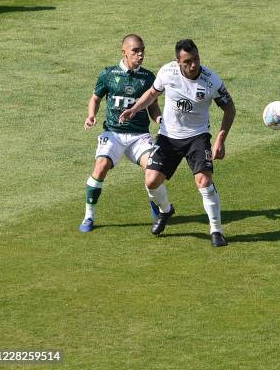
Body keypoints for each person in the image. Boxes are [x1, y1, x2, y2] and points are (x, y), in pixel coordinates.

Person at [119, 39, 236, 246]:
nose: (194, 65)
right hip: (168, 137)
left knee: (204, 181)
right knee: (151, 181)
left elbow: (229, 108)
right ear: (178, 62)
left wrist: (220, 139)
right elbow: (152, 94)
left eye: (196, 59)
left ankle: (216, 230)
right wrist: (135, 109)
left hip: (197, 137)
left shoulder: (211, 81)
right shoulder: (167, 72)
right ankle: (165, 211)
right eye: (188, 61)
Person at [79, 34, 172, 232]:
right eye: (135, 51)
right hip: (113, 133)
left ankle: (160, 208)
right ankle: (89, 216)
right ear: (124, 52)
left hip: (139, 136)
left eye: (142, 50)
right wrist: (91, 115)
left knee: (152, 171)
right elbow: (95, 98)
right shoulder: (108, 74)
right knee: (101, 166)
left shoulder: (148, 77)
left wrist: (159, 119)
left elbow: (152, 105)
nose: (140, 55)